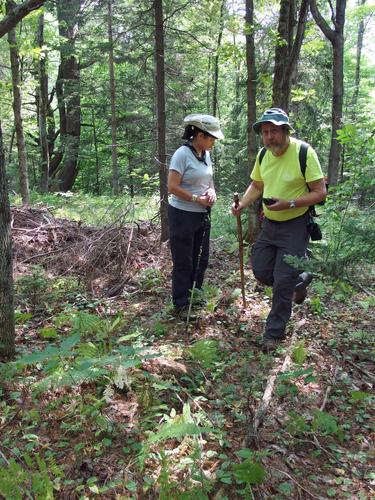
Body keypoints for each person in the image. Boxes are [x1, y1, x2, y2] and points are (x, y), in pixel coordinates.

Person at [232, 108, 326, 351]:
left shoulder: (304, 152)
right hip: (270, 224)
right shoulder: (264, 155)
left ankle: (273, 334)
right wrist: (242, 203)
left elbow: (319, 192)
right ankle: (302, 277)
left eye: (274, 131)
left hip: (295, 224)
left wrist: (290, 203)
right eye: (265, 132)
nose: (269, 137)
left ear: (285, 130)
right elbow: (257, 184)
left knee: (282, 281)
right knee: (263, 271)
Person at [167, 113, 224, 318]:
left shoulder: (205, 154)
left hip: (202, 214)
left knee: (202, 258)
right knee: (184, 260)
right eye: (211, 138)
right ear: (199, 135)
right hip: (182, 214)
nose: (214, 141)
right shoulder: (182, 155)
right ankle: (181, 303)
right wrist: (195, 199)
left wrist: (212, 193)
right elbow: (172, 187)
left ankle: (195, 294)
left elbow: (208, 181)